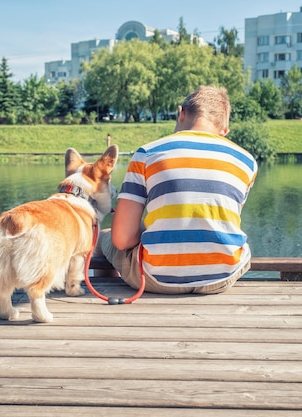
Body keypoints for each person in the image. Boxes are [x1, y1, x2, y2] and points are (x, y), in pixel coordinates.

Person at [96, 85, 258, 294]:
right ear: (224, 131)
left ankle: (108, 290)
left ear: (181, 113)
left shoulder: (147, 154)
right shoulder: (246, 161)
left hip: (156, 277)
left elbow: (122, 239)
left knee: (105, 238)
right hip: (222, 277)